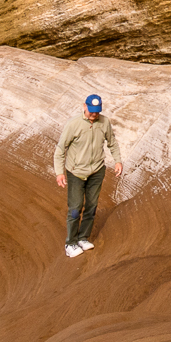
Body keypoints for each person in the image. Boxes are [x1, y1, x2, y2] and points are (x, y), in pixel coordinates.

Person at [54, 93, 124, 257]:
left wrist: (118, 161)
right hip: (76, 172)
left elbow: (112, 142)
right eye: (91, 110)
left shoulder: (104, 122)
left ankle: (83, 238)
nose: (94, 114)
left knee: (91, 207)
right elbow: (60, 150)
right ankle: (70, 243)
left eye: (97, 111)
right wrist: (59, 173)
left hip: (97, 171)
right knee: (75, 209)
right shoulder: (73, 124)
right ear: (84, 106)